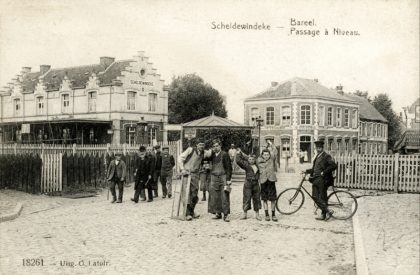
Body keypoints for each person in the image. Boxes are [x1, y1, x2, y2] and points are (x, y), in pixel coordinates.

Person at [305, 140, 337, 221]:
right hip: (316, 178)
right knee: (314, 196)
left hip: (323, 179)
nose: (318, 149)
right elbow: (314, 168)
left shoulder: (326, 156)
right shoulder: (317, 156)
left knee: (322, 197)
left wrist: (324, 172)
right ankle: (327, 211)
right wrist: (306, 171)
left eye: (319, 148)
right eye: (317, 148)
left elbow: (333, 165)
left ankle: (324, 215)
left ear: (322, 148)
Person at [205, 139, 233, 222]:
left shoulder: (224, 154)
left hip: (223, 177)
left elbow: (229, 168)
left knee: (224, 195)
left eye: (217, 146)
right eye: (214, 146)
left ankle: (226, 214)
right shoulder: (211, 155)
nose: (215, 147)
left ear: (220, 146)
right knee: (215, 196)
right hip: (213, 177)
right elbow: (205, 163)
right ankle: (218, 213)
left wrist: (228, 179)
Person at [178, 139, 205, 221]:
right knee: (186, 194)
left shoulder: (202, 153)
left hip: (195, 175)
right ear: (197, 145)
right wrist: (182, 169)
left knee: (194, 194)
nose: (202, 146)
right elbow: (180, 158)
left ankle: (192, 211)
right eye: (200, 144)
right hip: (187, 174)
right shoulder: (190, 150)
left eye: (203, 145)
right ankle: (187, 213)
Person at [235, 148, 262, 220]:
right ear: (248, 160)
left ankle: (257, 215)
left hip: (256, 183)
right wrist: (238, 153)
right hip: (248, 183)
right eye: (249, 159)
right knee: (246, 198)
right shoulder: (246, 165)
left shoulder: (258, 165)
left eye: (252, 159)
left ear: (255, 159)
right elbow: (238, 161)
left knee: (257, 198)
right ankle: (244, 214)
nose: (251, 161)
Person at [258, 141, 278, 222]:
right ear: (262, 155)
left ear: (269, 155)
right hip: (263, 181)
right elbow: (249, 158)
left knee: (273, 199)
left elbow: (275, 151)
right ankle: (266, 215)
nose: (266, 156)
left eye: (267, 155)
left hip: (271, 181)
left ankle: (273, 215)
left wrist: (271, 144)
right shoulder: (258, 161)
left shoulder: (272, 159)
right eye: (264, 155)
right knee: (264, 199)